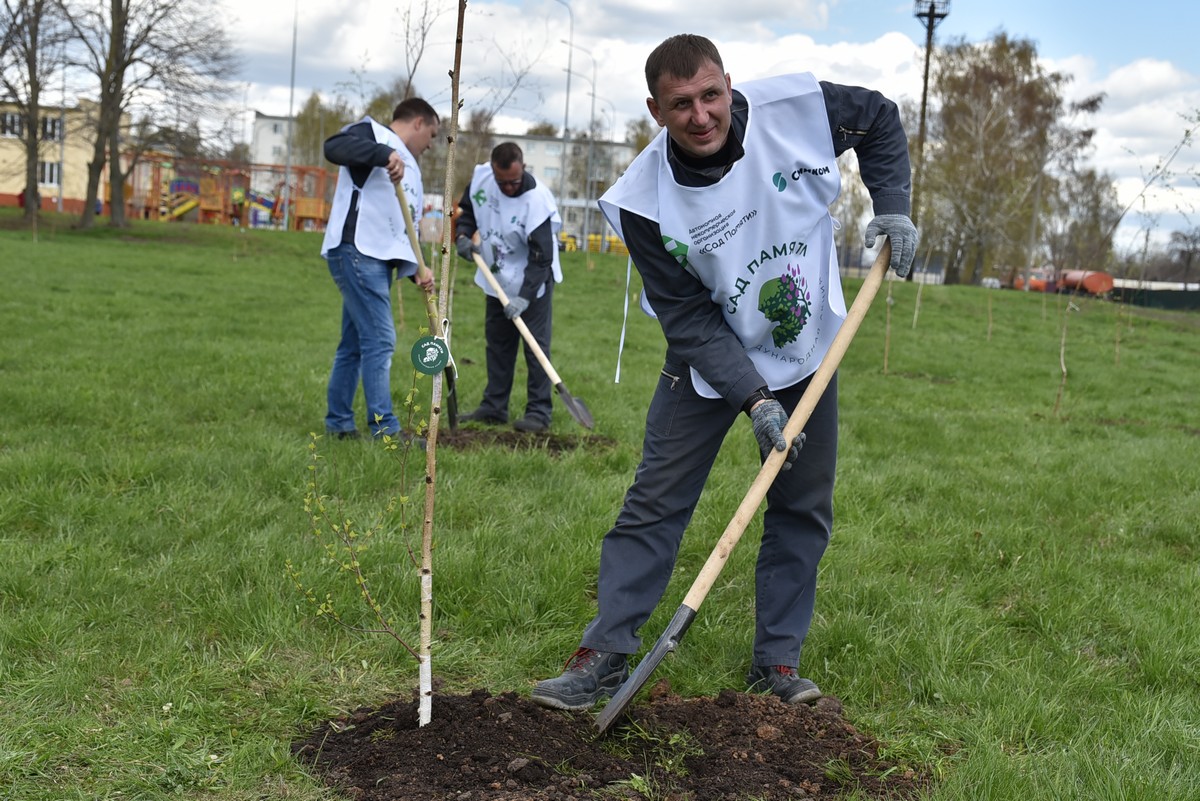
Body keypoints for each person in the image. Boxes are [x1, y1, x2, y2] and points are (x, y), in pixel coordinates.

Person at [531, 34, 918, 711]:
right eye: (681, 104)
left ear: (729, 86)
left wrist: (892, 202)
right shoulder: (644, 203)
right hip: (710, 362)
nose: (701, 114)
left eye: (711, 95)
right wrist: (753, 397)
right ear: (657, 111)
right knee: (655, 500)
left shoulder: (795, 109)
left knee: (802, 506)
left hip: (806, 344)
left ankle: (776, 663)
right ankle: (606, 654)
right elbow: (688, 319)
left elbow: (879, 118)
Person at [321, 98, 439, 440]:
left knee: (355, 343)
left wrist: (418, 264)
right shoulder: (372, 134)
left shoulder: (410, 166)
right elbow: (334, 146)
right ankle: (384, 429)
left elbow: (405, 220)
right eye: (431, 134)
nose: (431, 144)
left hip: (378, 259)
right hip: (357, 251)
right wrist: (380, 154)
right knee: (381, 339)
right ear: (418, 122)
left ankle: (339, 424)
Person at [454, 142, 563, 434]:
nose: (508, 188)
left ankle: (539, 413)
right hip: (496, 276)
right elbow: (466, 213)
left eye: (513, 182)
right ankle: (494, 407)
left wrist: (525, 298)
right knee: (498, 344)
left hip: (533, 282)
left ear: (523, 168)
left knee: (535, 347)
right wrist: (462, 236)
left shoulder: (537, 201)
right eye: (502, 182)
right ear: (493, 170)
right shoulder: (482, 180)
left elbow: (542, 259)